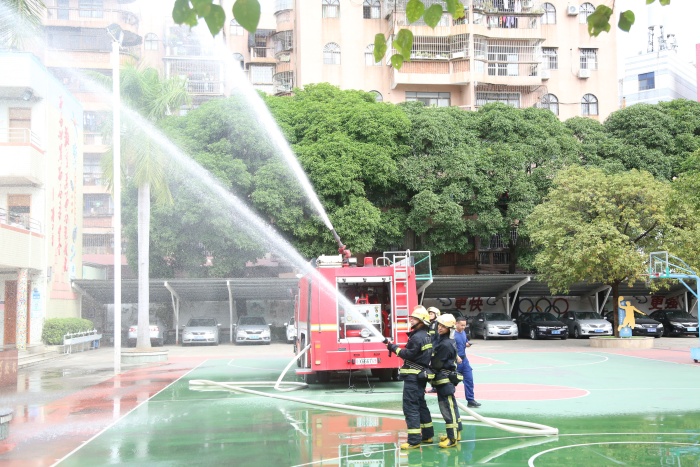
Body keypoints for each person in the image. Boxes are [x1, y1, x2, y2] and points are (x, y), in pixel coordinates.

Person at [386, 305, 434, 449]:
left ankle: (414, 440)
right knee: (421, 405)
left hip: (413, 377)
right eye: (411, 317)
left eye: (414, 318)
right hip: (420, 376)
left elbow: (408, 354)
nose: (411, 320)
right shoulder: (426, 335)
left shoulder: (417, 337)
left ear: (422, 321)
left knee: (410, 407)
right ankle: (427, 435)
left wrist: (394, 348)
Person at [431, 313, 462, 448]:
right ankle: (457, 433)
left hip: (444, 380)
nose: (440, 327)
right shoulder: (448, 340)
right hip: (446, 379)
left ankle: (452, 438)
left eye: (444, 326)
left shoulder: (445, 344)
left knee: (447, 409)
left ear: (449, 328)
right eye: (439, 325)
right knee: (452, 407)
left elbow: (437, 364)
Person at [455, 316, 480, 408]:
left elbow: (464, 343)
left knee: (469, 380)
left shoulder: (463, 333)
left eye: (464, 325)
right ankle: (449, 400)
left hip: (464, 360)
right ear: (456, 324)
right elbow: (449, 348)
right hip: (455, 361)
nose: (463, 327)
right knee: (452, 382)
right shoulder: (452, 335)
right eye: (461, 325)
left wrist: (467, 344)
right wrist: (456, 357)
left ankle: (470, 400)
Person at [426, 306, 441, 393]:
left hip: (434, 351)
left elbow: (437, 338)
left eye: (431, 314)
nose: (430, 315)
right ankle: (434, 386)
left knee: (435, 368)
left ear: (436, 315)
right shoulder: (430, 324)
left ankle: (436, 386)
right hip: (430, 350)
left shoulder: (437, 324)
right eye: (429, 313)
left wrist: (434, 349)